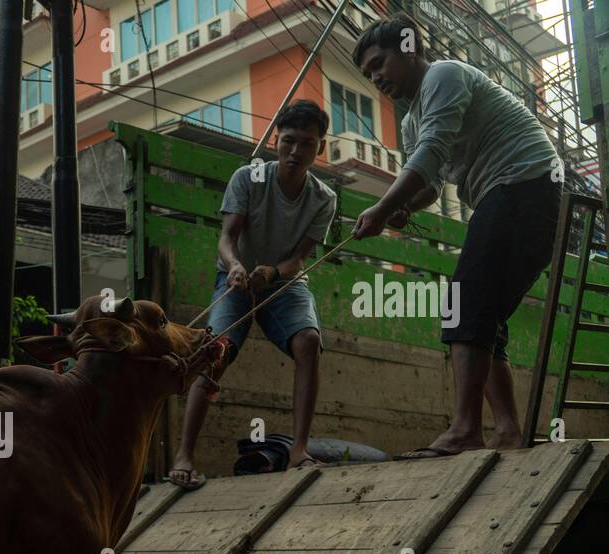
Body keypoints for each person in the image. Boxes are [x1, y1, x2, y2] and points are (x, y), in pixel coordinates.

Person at [351, 14, 562, 457]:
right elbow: (430, 183)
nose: (375, 78)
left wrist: (383, 206)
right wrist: (404, 208)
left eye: (379, 64)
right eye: (368, 74)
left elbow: (430, 155)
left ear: (409, 48)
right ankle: (507, 431)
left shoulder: (444, 75)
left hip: (526, 184)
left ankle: (467, 428)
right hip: (507, 196)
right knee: (482, 314)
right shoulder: (411, 120)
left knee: (462, 303)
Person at [169, 99, 337, 489]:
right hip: (236, 280)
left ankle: (298, 451)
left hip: (285, 284)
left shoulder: (324, 198)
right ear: (275, 140)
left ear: (320, 148)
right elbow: (226, 240)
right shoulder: (248, 177)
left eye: (307, 143)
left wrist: (274, 272)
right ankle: (184, 455)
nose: (296, 151)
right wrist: (237, 267)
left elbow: (300, 259)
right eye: (288, 141)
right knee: (215, 350)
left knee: (309, 341)